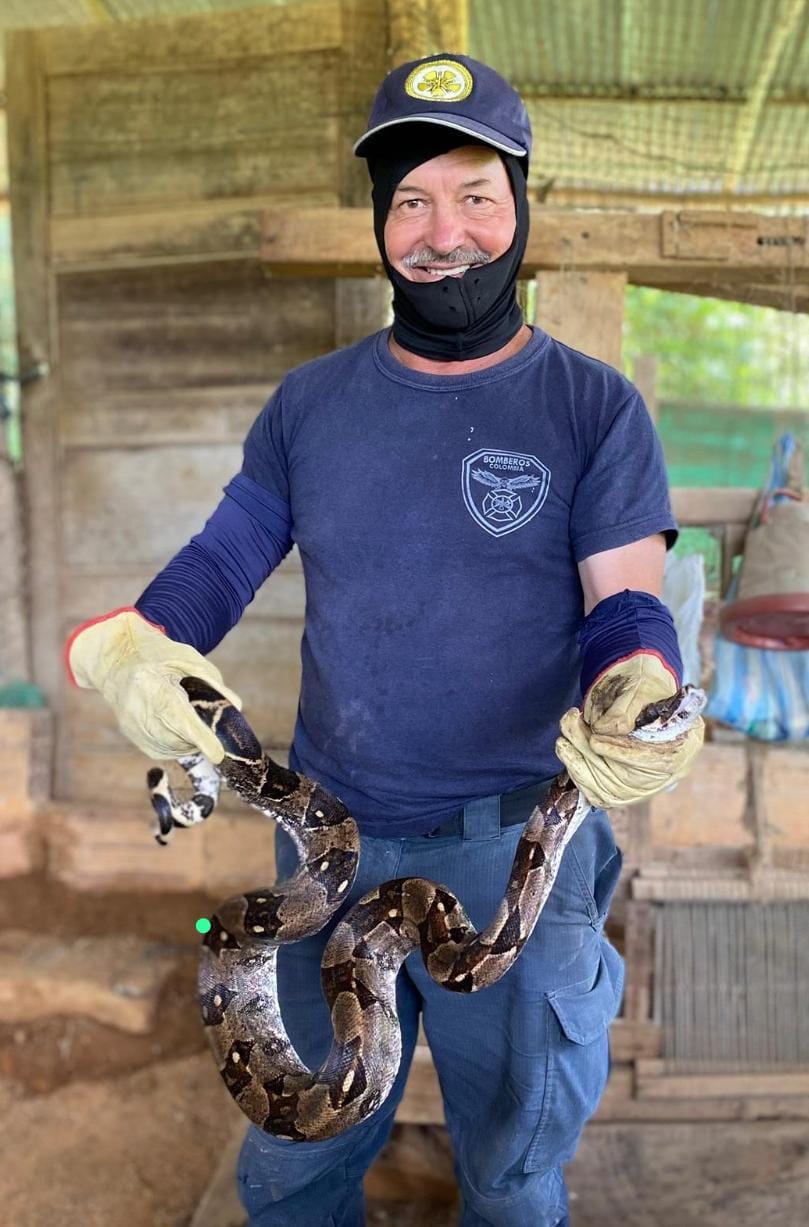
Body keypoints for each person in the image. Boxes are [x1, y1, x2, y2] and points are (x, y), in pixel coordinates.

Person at [65, 53, 703, 1227]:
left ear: (520, 206)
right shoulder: (309, 406)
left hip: (511, 846)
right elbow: (220, 561)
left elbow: (623, 606)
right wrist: (134, 643)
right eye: (410, 199)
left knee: (510, 1170)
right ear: (379, 221)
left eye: (473, 195)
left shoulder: (591, 407)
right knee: (294, 1165)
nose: (441, 232)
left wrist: (638, 683)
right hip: (329, 843)